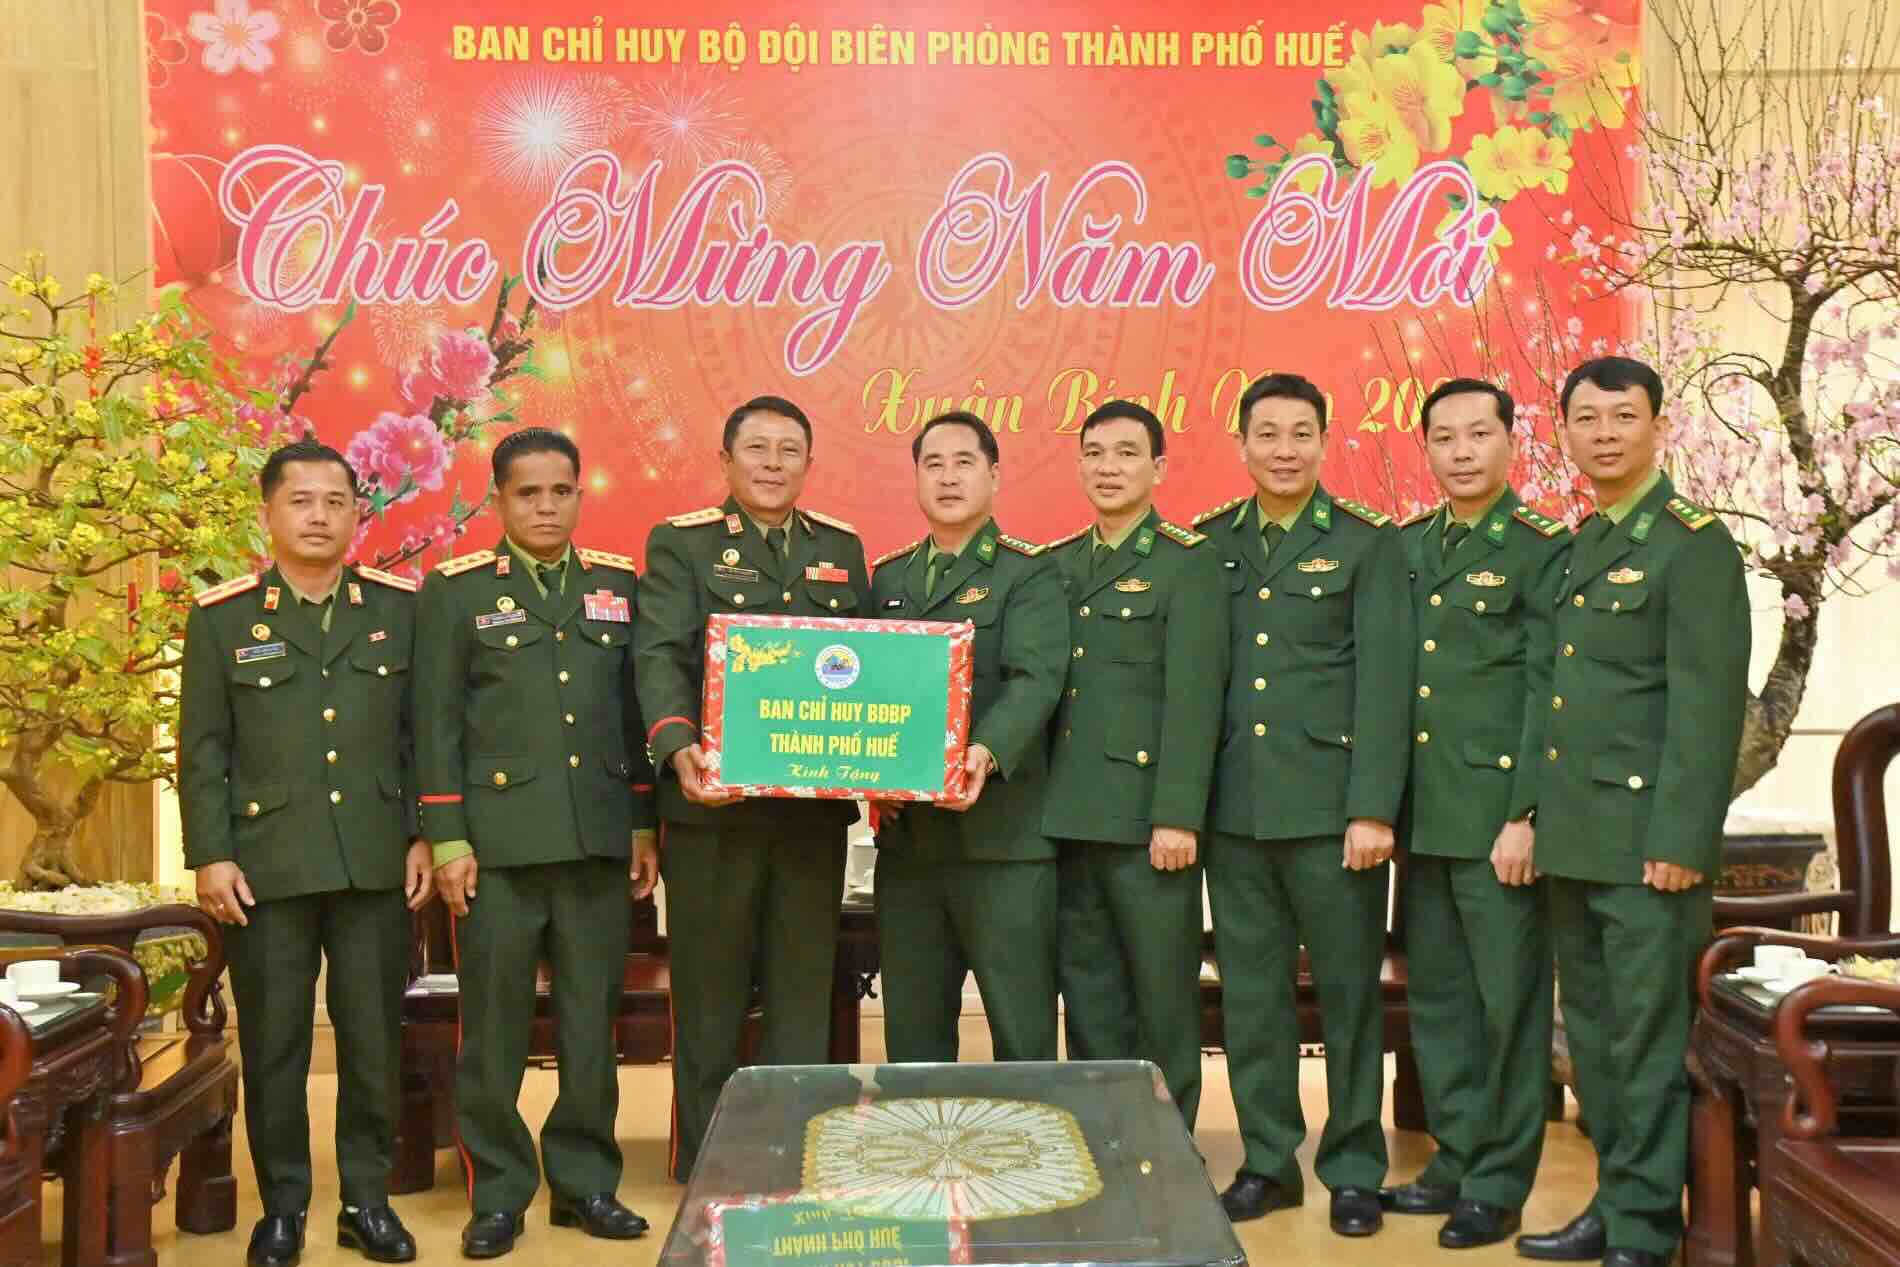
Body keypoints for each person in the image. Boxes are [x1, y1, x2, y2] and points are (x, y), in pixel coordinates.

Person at [1514, 358, 1749, 1267]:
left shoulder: (1693, 544)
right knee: (1599, 1046)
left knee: (1649, 1045)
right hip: (1578, 840)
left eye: (1624, 415)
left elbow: (1706, 705)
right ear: (1564, 430)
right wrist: (1532, 814)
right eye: (1587, 418)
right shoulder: (1579, 545)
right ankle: (1616, 1201)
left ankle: (1647, 1229)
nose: (1604, 432)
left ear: (1659, 425)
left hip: (1651, 848)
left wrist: (1683, 838)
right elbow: (1555, 698)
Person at [180, 439, 431, 1267]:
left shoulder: (400, 609)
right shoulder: (222, 618)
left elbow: (420, 738)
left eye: (336, 501)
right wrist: (210, 853)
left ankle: (367, 1201)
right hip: (267, 866)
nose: (320, 515)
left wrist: (427, 832)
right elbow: (204, 750)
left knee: (371, 1040)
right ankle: (282, 1206)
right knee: (276, 1044)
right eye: (302, 500)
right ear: (269, 513)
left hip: (374, 861)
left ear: (359, 512)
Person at [414, 427, 657, 1258]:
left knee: (594, 1024)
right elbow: (435, 724)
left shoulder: (619, 585)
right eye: (529, 492)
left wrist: (643, 823)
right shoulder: (455, 593)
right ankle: (502, 1193)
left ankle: (587, 1182)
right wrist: (446, 836)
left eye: (562, 491)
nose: (547, 506)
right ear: (499, 499)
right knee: (494, 1031)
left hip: (595, 842)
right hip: (496, 851)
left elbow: (634, 717)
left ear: (580, 494)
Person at [1192, 372, 1411, 1238]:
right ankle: (1267, 1161)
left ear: (1325, 441)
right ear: (1241, 442)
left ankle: (1356, 1165)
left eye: (1300, 433)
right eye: (1268, 433)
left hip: (1333, 815)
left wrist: (1374, 808)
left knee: (1351, 996)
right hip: (1236, 811)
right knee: (1251, 998)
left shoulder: (1366, 545)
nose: (1284, 449)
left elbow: (1387, 687)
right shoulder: (1209, 542)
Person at [634, 395, 871, 1180]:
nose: (773, 463)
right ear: (726, 460)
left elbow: (865, 673)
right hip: (711, 815)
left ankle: (790, 1154)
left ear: (809, 462)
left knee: (802, 998)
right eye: (757, 449)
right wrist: (678, 750)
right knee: (709, 998)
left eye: (789, 450)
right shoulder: (682, 544)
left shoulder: (843, 549)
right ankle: (710, 1163)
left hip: (808, 820)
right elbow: (659, 654)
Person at [1382, 379, 1570, 1249]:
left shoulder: (1541, 550)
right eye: (1444, 437)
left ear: (1510, 443)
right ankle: (1456, 1157)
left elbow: (1548, 693)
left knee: (1509, 1008)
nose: (1460, 451)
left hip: (1497, 822)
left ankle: (1500, 1182)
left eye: (1477, 435)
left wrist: (1526, 811)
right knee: (1443, 1005)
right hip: (1423, 819)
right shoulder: (1410, 547)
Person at [1041, 399, 1229, 1125]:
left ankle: (1170, 1147)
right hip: (1069, 815)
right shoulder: (1057, 565)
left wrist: (1178, 816)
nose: (1108, 467)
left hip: (1151, 823)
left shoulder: (1188, 564)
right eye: (1095, 452)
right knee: (1087, 991)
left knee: (1162, 995)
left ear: (1157, 467)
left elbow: (1194, 701)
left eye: (1126, 453)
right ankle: (1104, 1140)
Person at [868, 411, 1067, 1063]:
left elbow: (1035, 681)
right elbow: (867, 694)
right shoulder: (889, 580)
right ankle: (926, 1158)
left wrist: (981, 753)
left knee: (1022, 1030)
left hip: (1003, 845)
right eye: (933, 463)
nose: (948, 477)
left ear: (994, 474)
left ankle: (1033, 1160)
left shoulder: (1029, 575)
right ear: (916, 478)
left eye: (964, 462)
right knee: (914, 1036)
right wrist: (866, 779)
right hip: (910, 847)